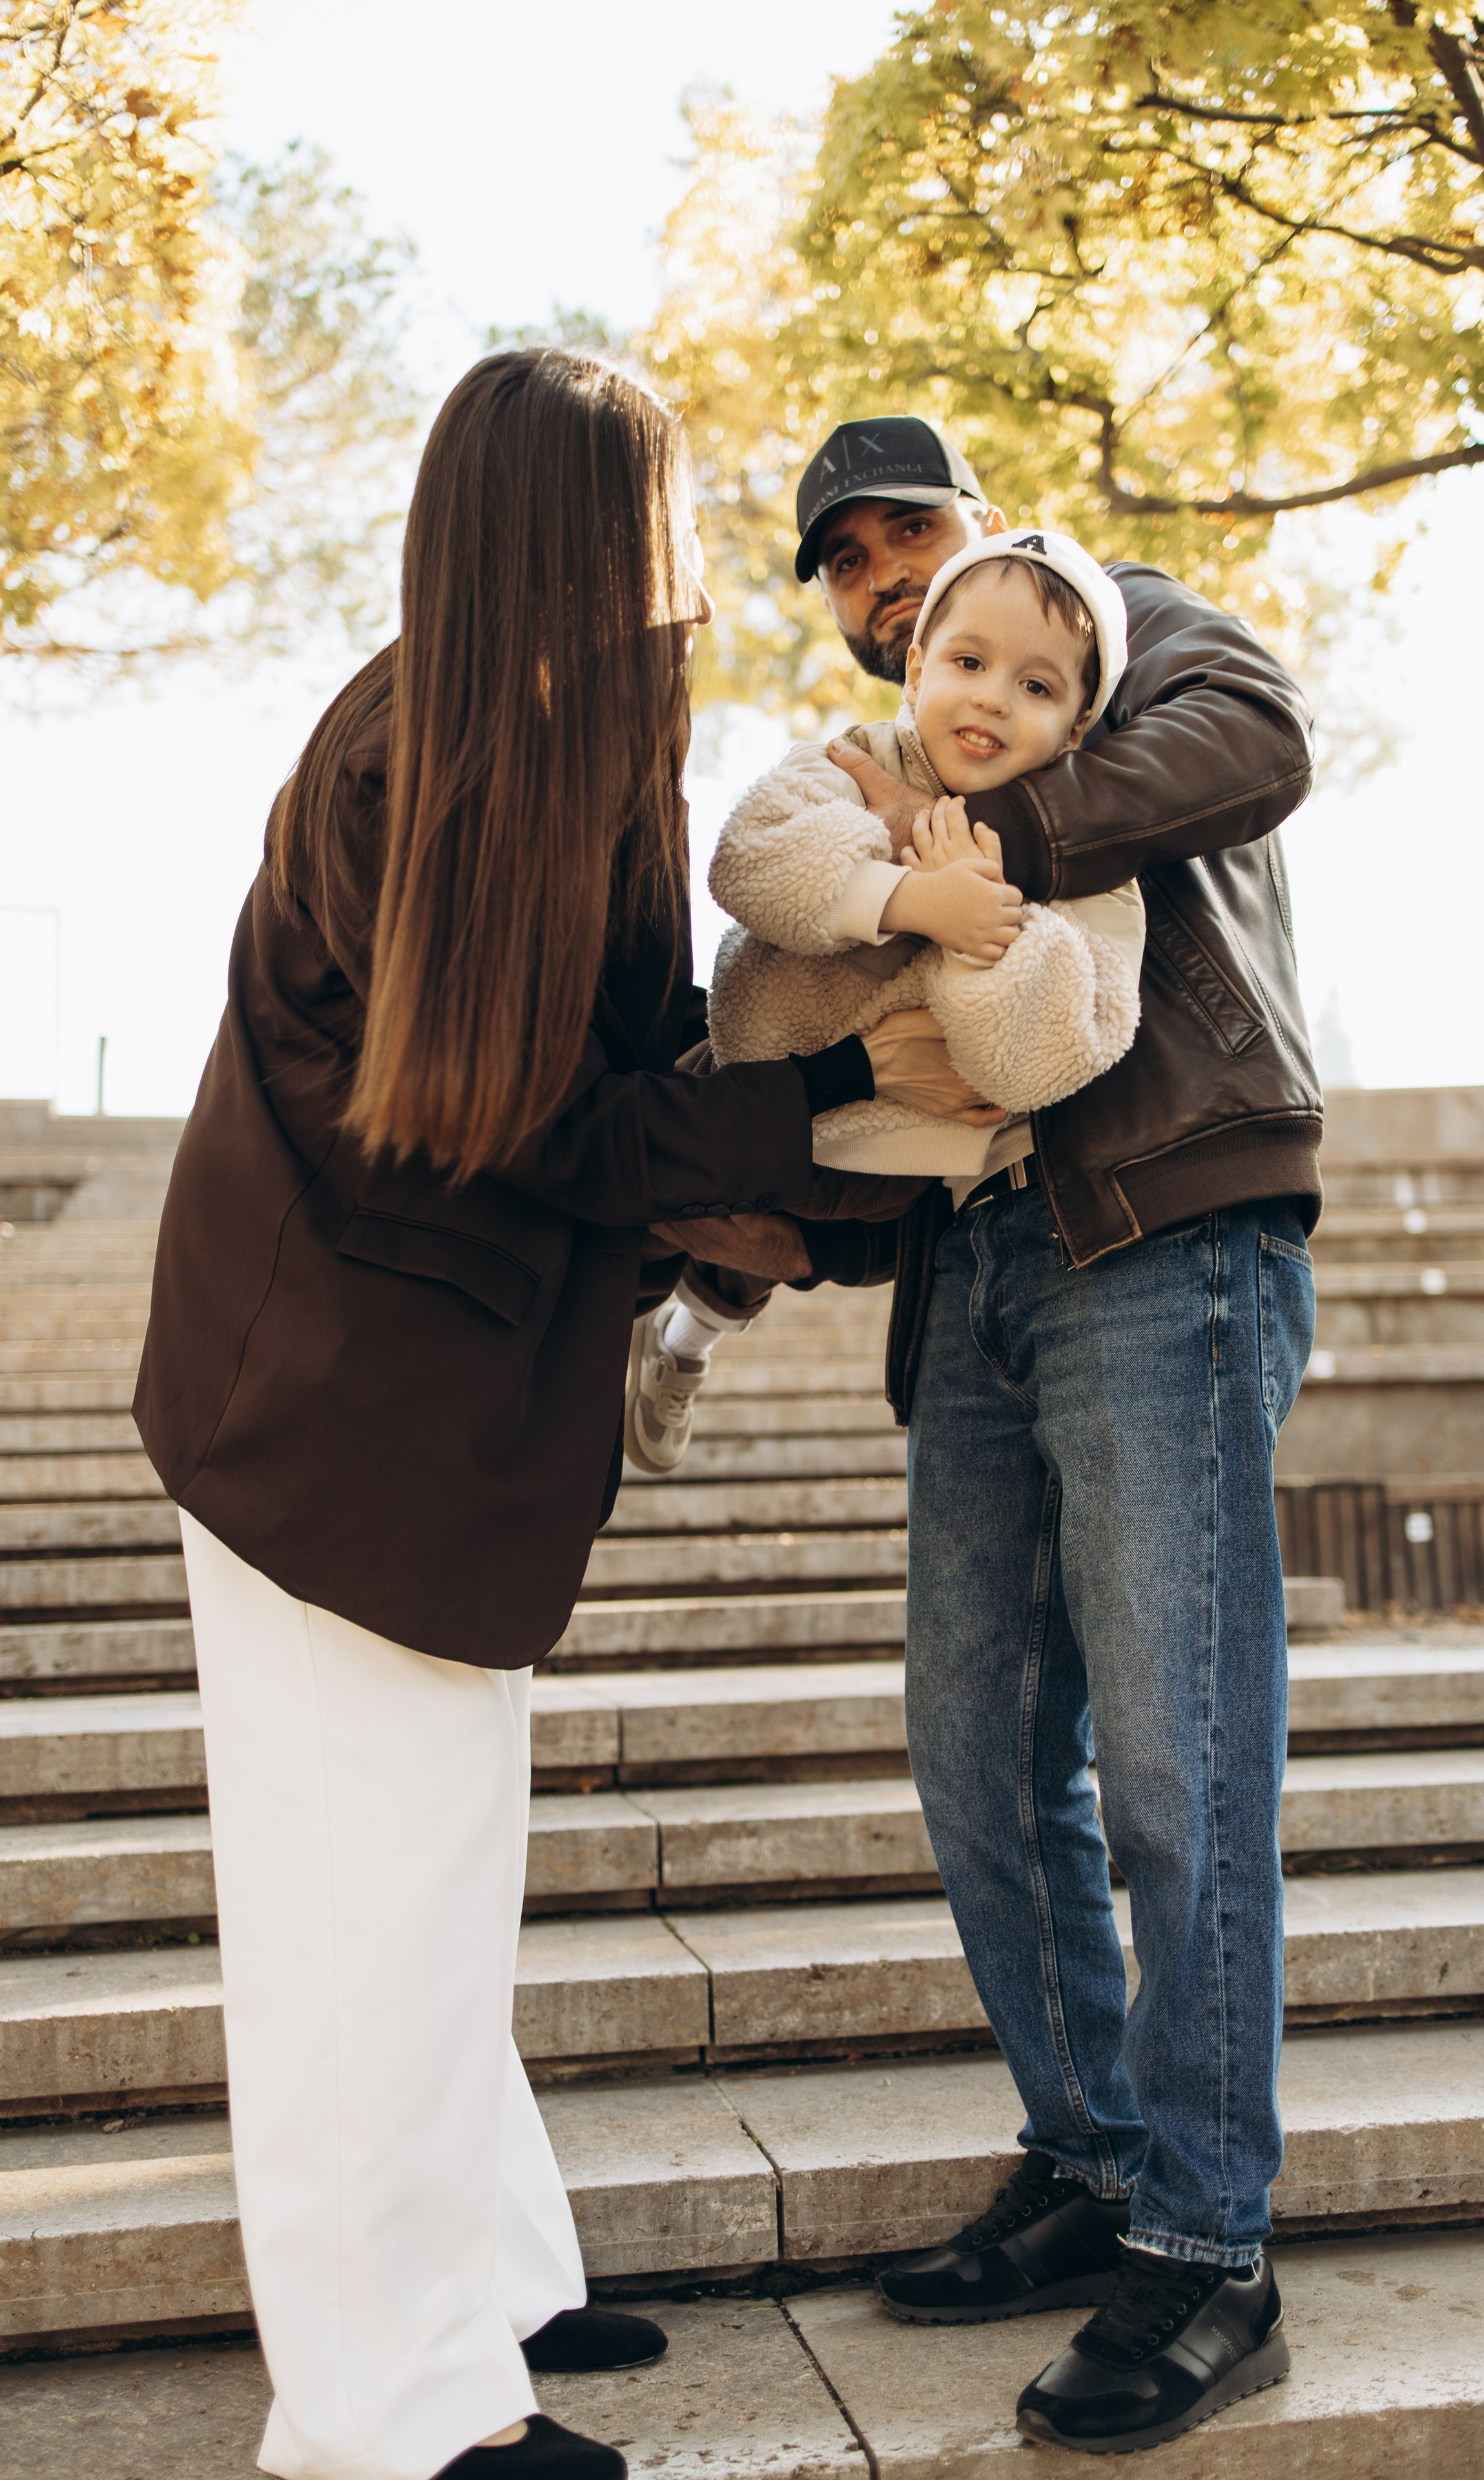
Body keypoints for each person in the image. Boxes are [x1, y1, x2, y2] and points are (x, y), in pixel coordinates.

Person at [132, 360, 991, 2480]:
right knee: (360, 1931)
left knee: (431, 1886)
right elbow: (535, 1114)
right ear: (604, 529)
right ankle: (392, 2421)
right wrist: (820, 1111)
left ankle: (490, 2286)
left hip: (398, 1407)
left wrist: (782, 1189)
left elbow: (595, 1106)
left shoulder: (527, 733)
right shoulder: (449, 745)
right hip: (328, 1421)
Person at [648, 413, 1321, 2457]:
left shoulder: (1131, 641)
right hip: (986, 1275)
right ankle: (1094, 2156)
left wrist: (970, 871)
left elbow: (1263, 743)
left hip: (1170, 1233)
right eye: (848, 565)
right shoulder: (880, 765)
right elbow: (864, 1035)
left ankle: (1211, 2248)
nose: (883, 577)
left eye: (909, 533)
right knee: (973, 1750)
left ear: (989, 532)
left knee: (1177, 1767)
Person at [624, 530, 1144, 1472]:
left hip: (891, 1173)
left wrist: (981, 931)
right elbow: (751, 858)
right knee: (650, 1177)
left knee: (756, 1255)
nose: (992, 696)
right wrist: (912, 898)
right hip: (755, 1082)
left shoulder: (1081, 865)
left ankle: (684, 1346)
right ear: (916, 670)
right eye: (970, 662)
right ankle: (646, 1332)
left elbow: (1051, 1047)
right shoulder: (853, 758)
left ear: (1075, 727)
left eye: (1036, 687)